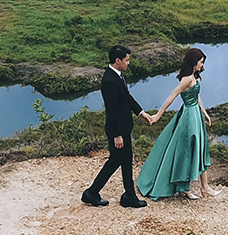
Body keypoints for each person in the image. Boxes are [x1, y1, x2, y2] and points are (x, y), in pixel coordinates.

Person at [82, 44, 155, 209]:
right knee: (115, 160)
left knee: (126, 159)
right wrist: (117, 135)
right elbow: (112, 110)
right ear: (117, 60)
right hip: (118, 130)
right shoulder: (109, 80)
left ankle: (129, 195)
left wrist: (141, 112)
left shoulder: (118, 75)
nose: (128, 63)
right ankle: (92, 192)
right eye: (127, 60)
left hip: (124, 128)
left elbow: (126, 97)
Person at [137, 47, 212, 200]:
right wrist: (158, 115)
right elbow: (172, 95)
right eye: (201, 62)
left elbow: (196, 96)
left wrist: (205, 113)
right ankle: (189, 187)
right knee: (187, 150)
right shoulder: (187, 79)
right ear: (193, 63)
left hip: (195, 114)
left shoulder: (194, 76)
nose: (202, 65)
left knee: (199, 147)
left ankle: (202, 187)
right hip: (189, 116)